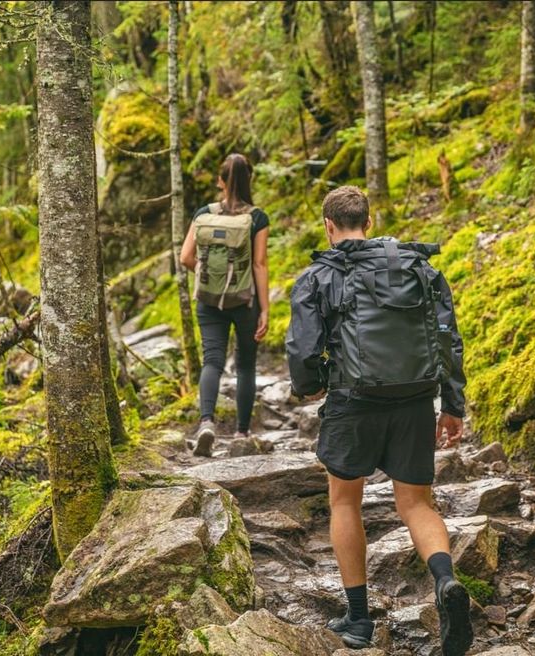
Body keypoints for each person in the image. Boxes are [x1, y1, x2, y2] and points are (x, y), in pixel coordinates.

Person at [285, 186, 472, 654]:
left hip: (351, 402)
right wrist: (452, 404)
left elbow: (304, 350)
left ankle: (359, 619)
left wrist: (309, 386)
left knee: (345, 503)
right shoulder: (419, 268)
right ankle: (446, 582)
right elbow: (447, 339)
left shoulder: (317, 277)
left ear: (329, 226)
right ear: (369, 221)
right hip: (413, 400)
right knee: (417, 504)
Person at [180, 153, 270, 456]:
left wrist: (211, 277)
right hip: (245, 301)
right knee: (245, 365)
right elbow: (259, 265)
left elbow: (185, 258)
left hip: (208, 300)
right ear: (251, 179)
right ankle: (242, 433)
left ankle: (206, 422)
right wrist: (265, 309)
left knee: (212, 361)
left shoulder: (203, 213)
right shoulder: (257, 217)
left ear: (220, 181)